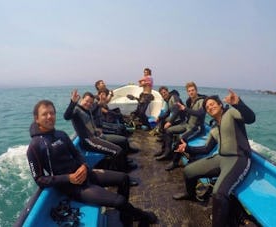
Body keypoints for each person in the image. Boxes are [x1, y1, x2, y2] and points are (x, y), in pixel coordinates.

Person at [26, 100, 157, 226]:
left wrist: (84, 165)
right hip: (73, 187)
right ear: (36, 118)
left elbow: (77, 154)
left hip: (86, 173)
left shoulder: (61, 135)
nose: (50, 116)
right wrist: (69, 178)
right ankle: (140, 215)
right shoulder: (34, 146)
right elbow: (40, 179)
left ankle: (125, 215)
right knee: (120, 200)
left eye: (52, 113)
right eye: (45, 114)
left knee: (124, 178)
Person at [172, 89, 256, 227]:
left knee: (219, 194)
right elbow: (206, 149)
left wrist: (239, 103)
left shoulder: (231, 113)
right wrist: (186, 148)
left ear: (220, 105)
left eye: (212, 104)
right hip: (220, 158)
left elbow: (250, 118)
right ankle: (191, 194)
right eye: (207, 107)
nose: (210, 107)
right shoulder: (214, 128)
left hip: (238, 159)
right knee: (188, 171)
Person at [63, 90, 137, 174]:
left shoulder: (88, 109)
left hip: (96, 137)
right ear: (81, 99)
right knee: (117, 151)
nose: (88, 104)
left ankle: (125, 162)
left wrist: (96, 130)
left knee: (123, 140)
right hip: (88, 141)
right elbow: (66, 116)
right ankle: (123, 172)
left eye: (91, 102)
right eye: (86, 101)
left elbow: (94, 110)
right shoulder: (76, 110)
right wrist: (72, 102)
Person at [156, 82, 206, 171]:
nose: (191, 92)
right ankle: (167, 153)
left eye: (193, 90)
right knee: (168, 131)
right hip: (186, 124)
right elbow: (186, 112)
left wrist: (184, 109)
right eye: (189, 91)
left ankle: (175, 162)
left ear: (196, 90)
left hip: (196, 128)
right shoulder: (189, 101)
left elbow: (200, 113)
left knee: (181, 139)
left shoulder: (202, 101)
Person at [153, 86, 185, 155]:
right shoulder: (167, 100)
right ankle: (163, 148)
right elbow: (168, 112)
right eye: (162, 94)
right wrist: (159, 117)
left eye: (164, 92)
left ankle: (167, 152)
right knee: (163, 121)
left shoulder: (174, 97)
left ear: (168, 92)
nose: (163, 94)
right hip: (177, 119)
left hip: (182, 120)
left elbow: (177, 110)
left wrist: (170, 122)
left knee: (167, 128)